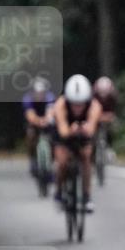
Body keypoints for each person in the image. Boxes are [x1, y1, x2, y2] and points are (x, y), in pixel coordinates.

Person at [52, 74, 102, 213]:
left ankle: (86, 196)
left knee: (86, 157)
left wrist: (85, 130)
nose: (77, 107)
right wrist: (71, 130)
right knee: (62, 162)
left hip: (83, 135)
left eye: (81, 104)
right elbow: (63, 131)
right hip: (64, 134)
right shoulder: (60, 104)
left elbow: (91, 129)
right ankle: (59, 191)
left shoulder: (95, 106)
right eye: (74, 104)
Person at [22, 77, 55, 177]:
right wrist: (38, 121)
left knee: (55, 138)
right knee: (30, 135)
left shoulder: (50, 97)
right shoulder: (27, 99)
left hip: (47, 120)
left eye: (41, 93)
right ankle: (32, 158)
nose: (39, 96)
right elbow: (30, 115)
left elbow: (51, 112)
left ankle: (52, 159)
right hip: (34, 121)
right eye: (37, 93)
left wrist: (47, 120)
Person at [93, 76, 119, 159]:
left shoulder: (113, 97)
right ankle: (92, 147)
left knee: (113, 127)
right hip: (95, 115)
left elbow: (114, 110)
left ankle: (110, 146)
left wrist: (109, 116)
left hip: (108, 115)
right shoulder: (93, 96)